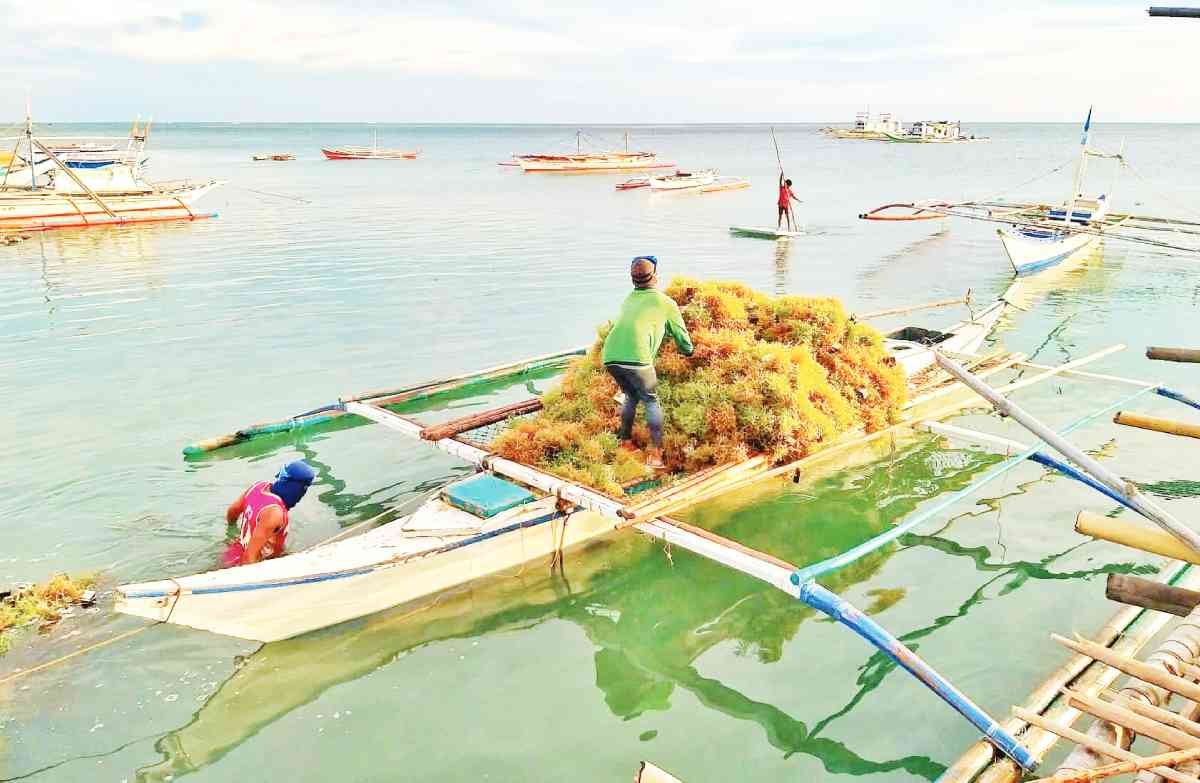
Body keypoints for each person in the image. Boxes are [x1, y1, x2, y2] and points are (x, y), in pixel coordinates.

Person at [601, 256, 694, 469]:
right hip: (637, 358)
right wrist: (689, 351)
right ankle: (656, 454)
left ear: (633, 281)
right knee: (651, 400)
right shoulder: (665, 302)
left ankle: (624, 442)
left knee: (631, 395)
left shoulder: (629, 298)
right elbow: (682, 338)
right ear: (655, 278)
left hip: (611, 355)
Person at [223, 460, 316, 567]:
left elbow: (232, 511)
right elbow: (249, 558)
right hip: (247, 564)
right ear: (298, 489)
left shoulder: (258, 487)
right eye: (304, 489)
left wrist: (231, 532)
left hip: (233, 552)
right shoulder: (275, 513)